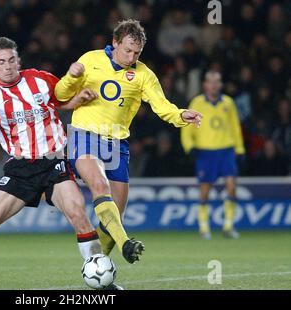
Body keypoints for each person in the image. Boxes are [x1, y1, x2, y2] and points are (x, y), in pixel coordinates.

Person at [0, 37, 124, 290]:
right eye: (1, 62)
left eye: (11, 60)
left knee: (79, 215)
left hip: (54, 161)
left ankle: (103, 281)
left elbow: (61, 100)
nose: (8, 66)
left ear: (19, 60)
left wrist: (77, 100)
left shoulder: (40, 79)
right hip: (20, 169)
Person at [54, 19, 202, 260]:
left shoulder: (144, 74)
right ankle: (126, 244)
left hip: (116, 145)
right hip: (84, 136)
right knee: (100, 188)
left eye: (137, 53)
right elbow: (60, 95)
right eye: (127, 50)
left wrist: (181, 115)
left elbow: (162, 106)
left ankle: (97, 268)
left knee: (115, 221)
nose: (131, 57)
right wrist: (71, 77)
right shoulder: (90, 60)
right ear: (115, 43)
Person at [181, 71, 245, 239]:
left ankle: (228, 226)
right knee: (204, 191)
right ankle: (204, 228)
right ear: (205, 85)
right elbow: (186, 126)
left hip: (226, 150)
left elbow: (235, 126)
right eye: (211, 82)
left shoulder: (228, 103)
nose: (214, 85)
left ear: (221, 84)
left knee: (231, 187)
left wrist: (239, 148)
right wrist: (189, 147)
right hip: (205, 151)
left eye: (217, 81)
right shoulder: (197, 102)